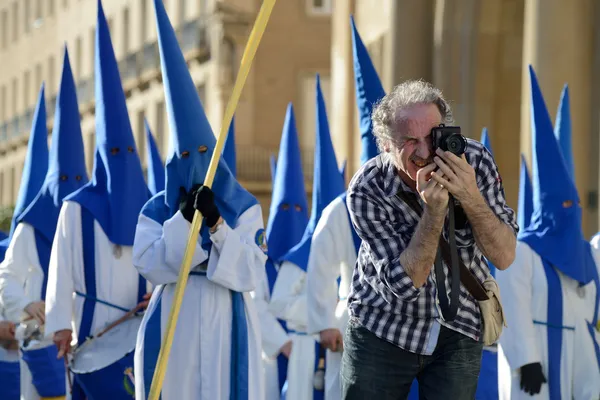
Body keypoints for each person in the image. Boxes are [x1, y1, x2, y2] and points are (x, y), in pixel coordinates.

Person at [342, 79, 518, 399]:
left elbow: (505, 256)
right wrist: (435, 211)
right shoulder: (366, 188)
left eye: (432, 137)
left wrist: (470, 196)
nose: (424, 153)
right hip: (383, 326)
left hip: (459, 323)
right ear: (385, 144)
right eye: (409, 141)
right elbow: (407, 284)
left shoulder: (474, 160)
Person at [131, 1, 267, 398]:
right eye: (185, 158)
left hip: (228, 317)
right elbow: (150, 266)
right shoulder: (156, 209)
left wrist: (216, 226)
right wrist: (180, 221)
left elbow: (252, 273)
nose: (194, 166)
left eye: (202, 156)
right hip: (176, 315)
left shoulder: (243, 207)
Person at [44, 3, 151, 398]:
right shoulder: (77, 206)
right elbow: (61, 270)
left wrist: (158, 291)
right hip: (91, 344)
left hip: (139, 341)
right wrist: (59, 325)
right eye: (115, 154)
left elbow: (166, 263)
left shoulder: (151, 206)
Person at [496, 66, 600, 399]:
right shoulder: (521, 252)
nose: (569, 211)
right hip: (534, 361)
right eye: (562, 204)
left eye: (574, 203)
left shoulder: (587, 255)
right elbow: (512, 305)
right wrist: (526, 359)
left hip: (579, 357)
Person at [0, 49, 89, 400]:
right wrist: (25, 305)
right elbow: (6, 275)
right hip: (38, 341)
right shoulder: (30, 227)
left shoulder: (88, 224)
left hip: (83, 339)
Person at [269, 76, 346, 400]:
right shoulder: (299, 257)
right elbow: (279, 303)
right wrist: (321, 314)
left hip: (342, 348)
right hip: (303, 350)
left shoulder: (351, 252)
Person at [253, 103, 306, 399]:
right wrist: (282, 342)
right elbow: (255, 305)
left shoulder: (312, 261)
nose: (292, 215)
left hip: (307, 353)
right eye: (284, 209)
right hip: (271, 359)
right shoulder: (260, 262)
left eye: (297, 208)